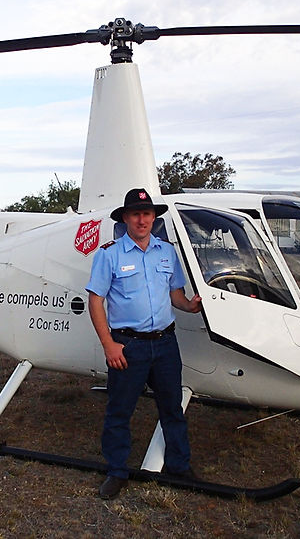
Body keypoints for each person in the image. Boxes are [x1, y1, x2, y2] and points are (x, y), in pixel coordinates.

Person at [86, 188, 202, 500]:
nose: (142, 220)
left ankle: (179, 466)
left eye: (147, 214)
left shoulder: (166, 252)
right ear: (125, 218)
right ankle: (116, 471)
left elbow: (175, 294)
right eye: (136, 214)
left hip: (165, 344)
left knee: (172, 408)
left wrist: (190, 306)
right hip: (128, 346)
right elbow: (95, 301)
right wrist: (109, 345)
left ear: (153, 218)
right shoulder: (109, 254)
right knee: (120, 411)